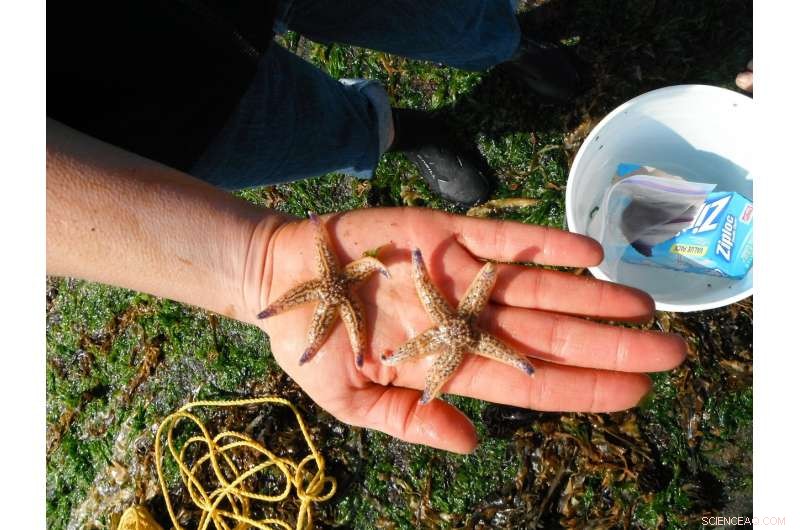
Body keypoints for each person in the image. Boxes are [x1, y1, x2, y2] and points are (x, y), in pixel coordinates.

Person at [47, 1, 688, 454]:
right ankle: (397, 129)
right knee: (309, 128)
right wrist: (256, 262)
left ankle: (506, 42)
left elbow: (441, 312)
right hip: (134, 101)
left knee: (438, 14)